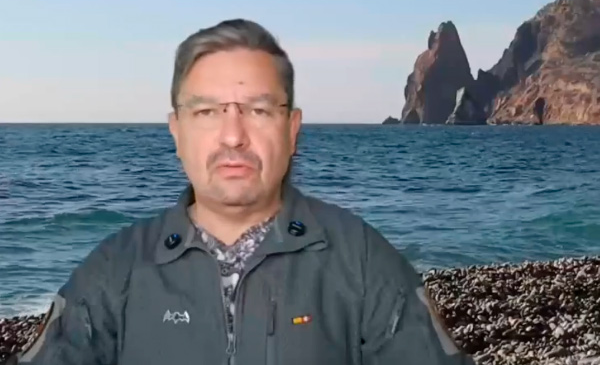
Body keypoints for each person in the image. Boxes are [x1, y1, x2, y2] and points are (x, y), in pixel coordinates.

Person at [11, 18, 474, 365]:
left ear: (292, 130)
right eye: (207, 112)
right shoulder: (114, 272)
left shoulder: (363, 262)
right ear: (177, 131)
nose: (233, 136)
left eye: (258, 110)